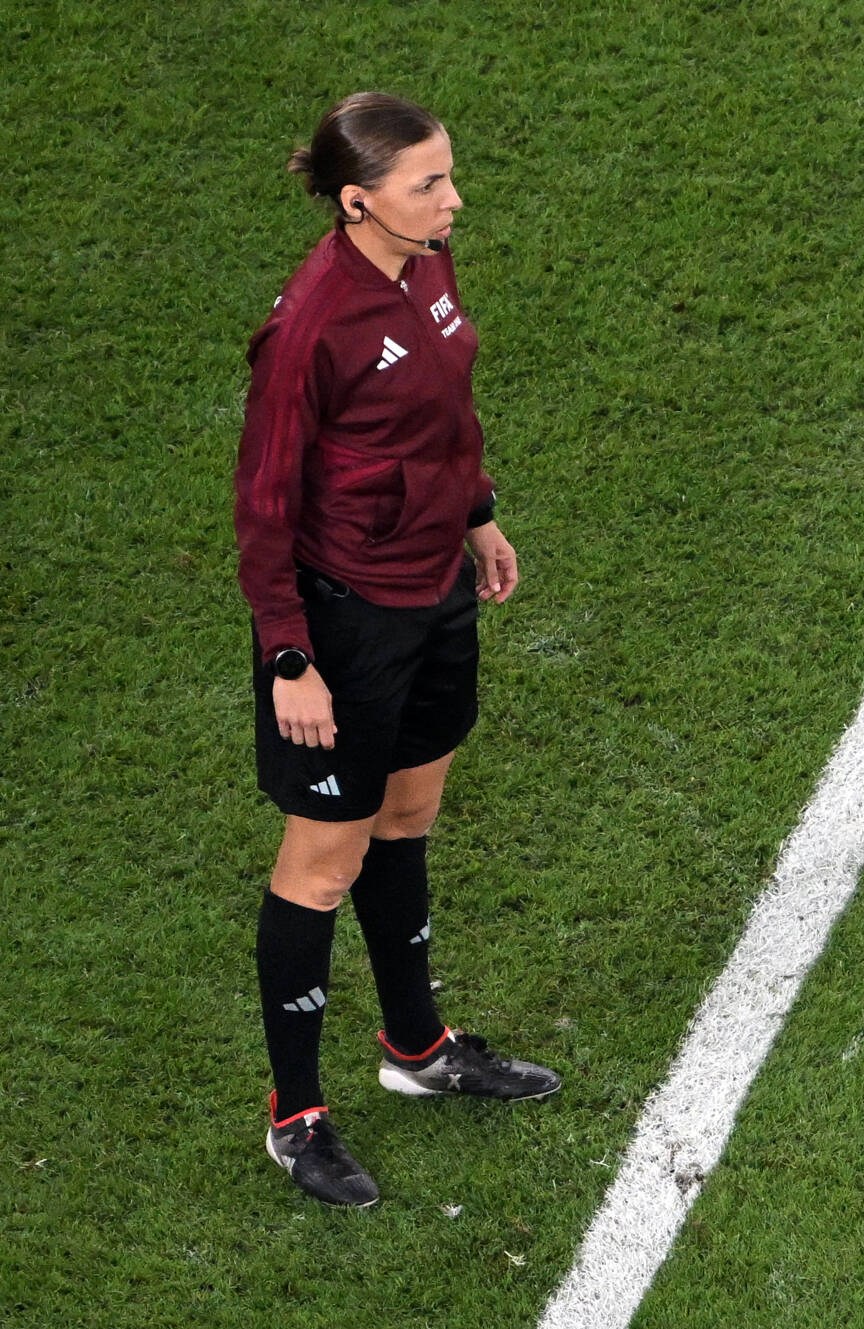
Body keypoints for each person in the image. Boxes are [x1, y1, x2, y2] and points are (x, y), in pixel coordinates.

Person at [235, 92, 559, 1208]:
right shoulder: (311, 325)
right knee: (322, 865)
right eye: (430, 184)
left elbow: (446, 414)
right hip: (346, 622)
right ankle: (296, 1118)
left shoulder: (427, 263)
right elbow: (264, 504)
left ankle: (416, 1050)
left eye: (449, 175)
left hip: (434, 592)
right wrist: (290, 657)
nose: (454, 199)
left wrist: (475, 511)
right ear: (355, 198)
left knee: (410, 815)